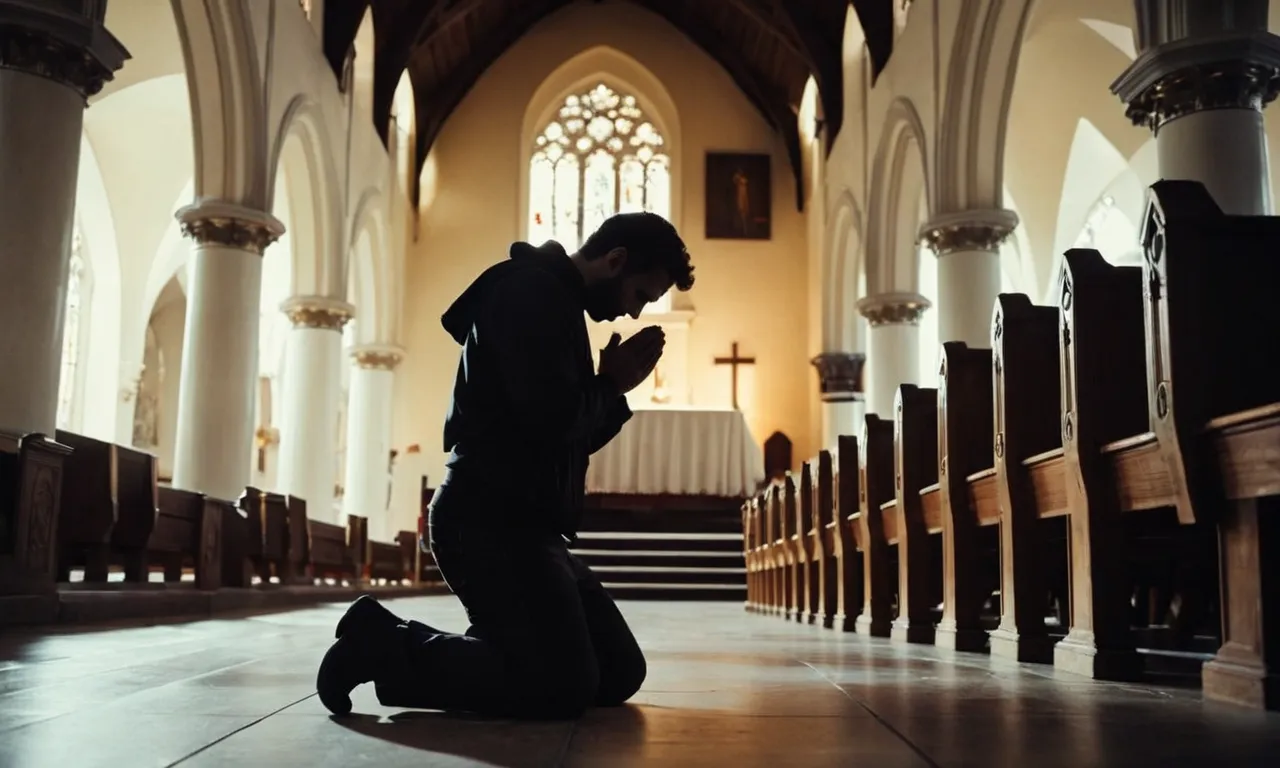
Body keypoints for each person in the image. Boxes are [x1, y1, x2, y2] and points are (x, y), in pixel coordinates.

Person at [317, 212, 696, 719]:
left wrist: (608, 388)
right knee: (562, 687)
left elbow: (564, 440)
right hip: (488, 520)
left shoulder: (556, 301)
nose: (633, 313)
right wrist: (609, 387)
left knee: (618, 670)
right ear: (616, 261)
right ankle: (382, 643)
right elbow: (548, 420)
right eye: (640, 296)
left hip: (529, 526)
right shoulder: (531, 294)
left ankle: (492, 651)